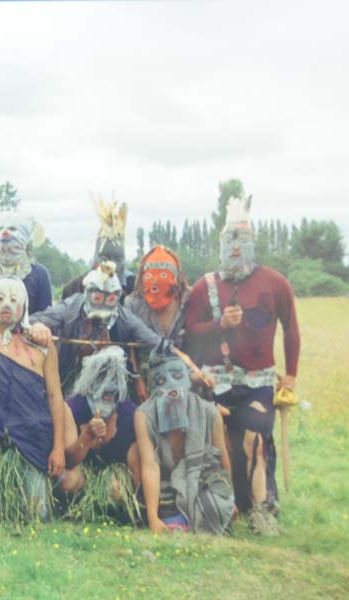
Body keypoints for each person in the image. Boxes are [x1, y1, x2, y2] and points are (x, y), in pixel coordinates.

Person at [183, 194, 300, 535]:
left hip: (258, 381)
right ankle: (220, 507)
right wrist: (220, 326)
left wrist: (290, 375)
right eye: (230, 242)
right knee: (218, 447)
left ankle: (262, 511)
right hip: (214, 381)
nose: (236, 249)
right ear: (220, 246)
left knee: (255, 441)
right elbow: (190, 336)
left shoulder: (276, 284)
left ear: (253, 243)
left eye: (243, 241)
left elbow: (291, 329)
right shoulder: (205, 289)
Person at [0, 276, 73, 524]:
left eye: (13, 299)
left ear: (24, 305)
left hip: (33, 440)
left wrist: (58, 448)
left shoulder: (43, 348)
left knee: (36, 515)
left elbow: (55, 398)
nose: (6, 305)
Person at [28, 261, 172, 394]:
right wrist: (38, 326)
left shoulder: (123, 317)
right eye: (97, 297)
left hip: (110, 388)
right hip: (68, 384)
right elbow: (33, 320)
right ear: (88, 294)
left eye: (109, 299)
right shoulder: (70, 308)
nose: (103, 303)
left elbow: (155, 342)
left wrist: (183, 362)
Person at [136, 352, 234, 535]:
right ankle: (175, 517)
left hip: (203, 481)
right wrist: (152, 517)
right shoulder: (144, 415)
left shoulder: (209, 413)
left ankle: (193, 518)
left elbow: (222, 462)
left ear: (188, 381)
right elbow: (150, 466)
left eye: (178, 376)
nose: (172, 386)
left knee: (217, 505)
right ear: (151, 388)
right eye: (161, 381)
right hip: (166, 484)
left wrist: (230, 498)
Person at [62, 347, 145, 524]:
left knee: (116, 489)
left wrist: (142, 511)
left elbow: (139, 468)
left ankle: (115, 513)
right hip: (81, 473)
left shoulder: (129, 415)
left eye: (114, 379)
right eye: (101, 378)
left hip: (113, 477)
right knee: (68, 480)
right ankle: (72, 510)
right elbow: (68, 460)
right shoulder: (72, 408)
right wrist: (87, 436)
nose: (109, 387)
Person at [124, 245, 191, 397]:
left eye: (163, 278)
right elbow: (129, 348)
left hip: (183, 377)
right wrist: (137, 380)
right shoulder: (133, 304)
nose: (156, 286)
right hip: (146, 378)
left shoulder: (187, 301)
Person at [0, 211, 53, 315]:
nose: (5, 234)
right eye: (1, 228)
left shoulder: (39, 274)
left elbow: (45, 316)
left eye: (12, 229)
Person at [60, 196, 133, 300]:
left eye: (118, 259)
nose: (112, 265)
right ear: (95, 258)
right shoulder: (74, 289)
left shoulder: (135, 290)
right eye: (105, 258)